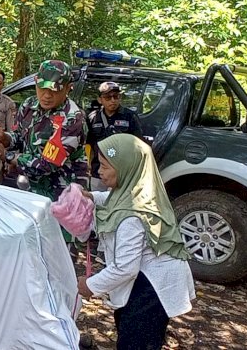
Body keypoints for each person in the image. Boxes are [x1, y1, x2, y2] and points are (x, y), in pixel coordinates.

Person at [78, 134, 195, 350]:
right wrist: (91, 196)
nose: (99, 172)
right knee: (127, 326)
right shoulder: (135, 191)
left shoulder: (132, 216)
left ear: (125, 168)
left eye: (104, 166)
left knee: (137, 339)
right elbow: (111, 199)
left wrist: (90, 286)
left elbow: (125, 268)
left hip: (153, 285)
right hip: (144, 275)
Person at [0, 60, 89, 201]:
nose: (47, 95)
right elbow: (20, 135)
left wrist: (8, 155)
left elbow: (47, 164)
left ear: (68, 88)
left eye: (55, 89)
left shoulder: (72, 119)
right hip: (31, 191)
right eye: (42, 87)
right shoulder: (28, 106)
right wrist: (5, 138)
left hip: (63, 196)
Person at [86, 81, 143, 191]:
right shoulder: (93, 118)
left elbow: (138, 144)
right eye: (107, 97)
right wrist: (87, 166)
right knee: (97, 203)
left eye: (116, 96)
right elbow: (88, 145)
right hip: (98, 172)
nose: (112, 100)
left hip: (121, 173)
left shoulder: (129, 116)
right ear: (100, 100)